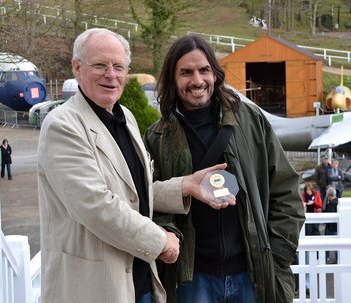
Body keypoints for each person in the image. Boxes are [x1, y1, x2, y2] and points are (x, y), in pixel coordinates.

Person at [37, 28, 234, 303]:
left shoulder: (124, 117)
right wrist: (161, 241)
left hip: (139, 285)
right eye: (100, 65)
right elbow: (97, 206)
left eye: (118, 67)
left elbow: (135, 194)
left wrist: (185, 186)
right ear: (77, 67)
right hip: (95, 289)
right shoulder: (62, 125)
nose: (111, 74)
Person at [143, 35, 305, 303]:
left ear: (215, 75)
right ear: (172, 79)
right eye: (186, 72)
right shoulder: (157, 138)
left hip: (251, 277)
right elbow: (150, 202)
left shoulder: (250, 121)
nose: (197, 81)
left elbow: (285, 191)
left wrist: (275, 257)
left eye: (204, 70)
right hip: (192, 282)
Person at [322, 186, 338, 263]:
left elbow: (329, 214)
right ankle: (338, 260)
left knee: (326, 245)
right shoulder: (338, 201)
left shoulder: (331, 203)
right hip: (337, 227)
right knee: (338, 246)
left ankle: (325, 259)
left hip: (330, 227)